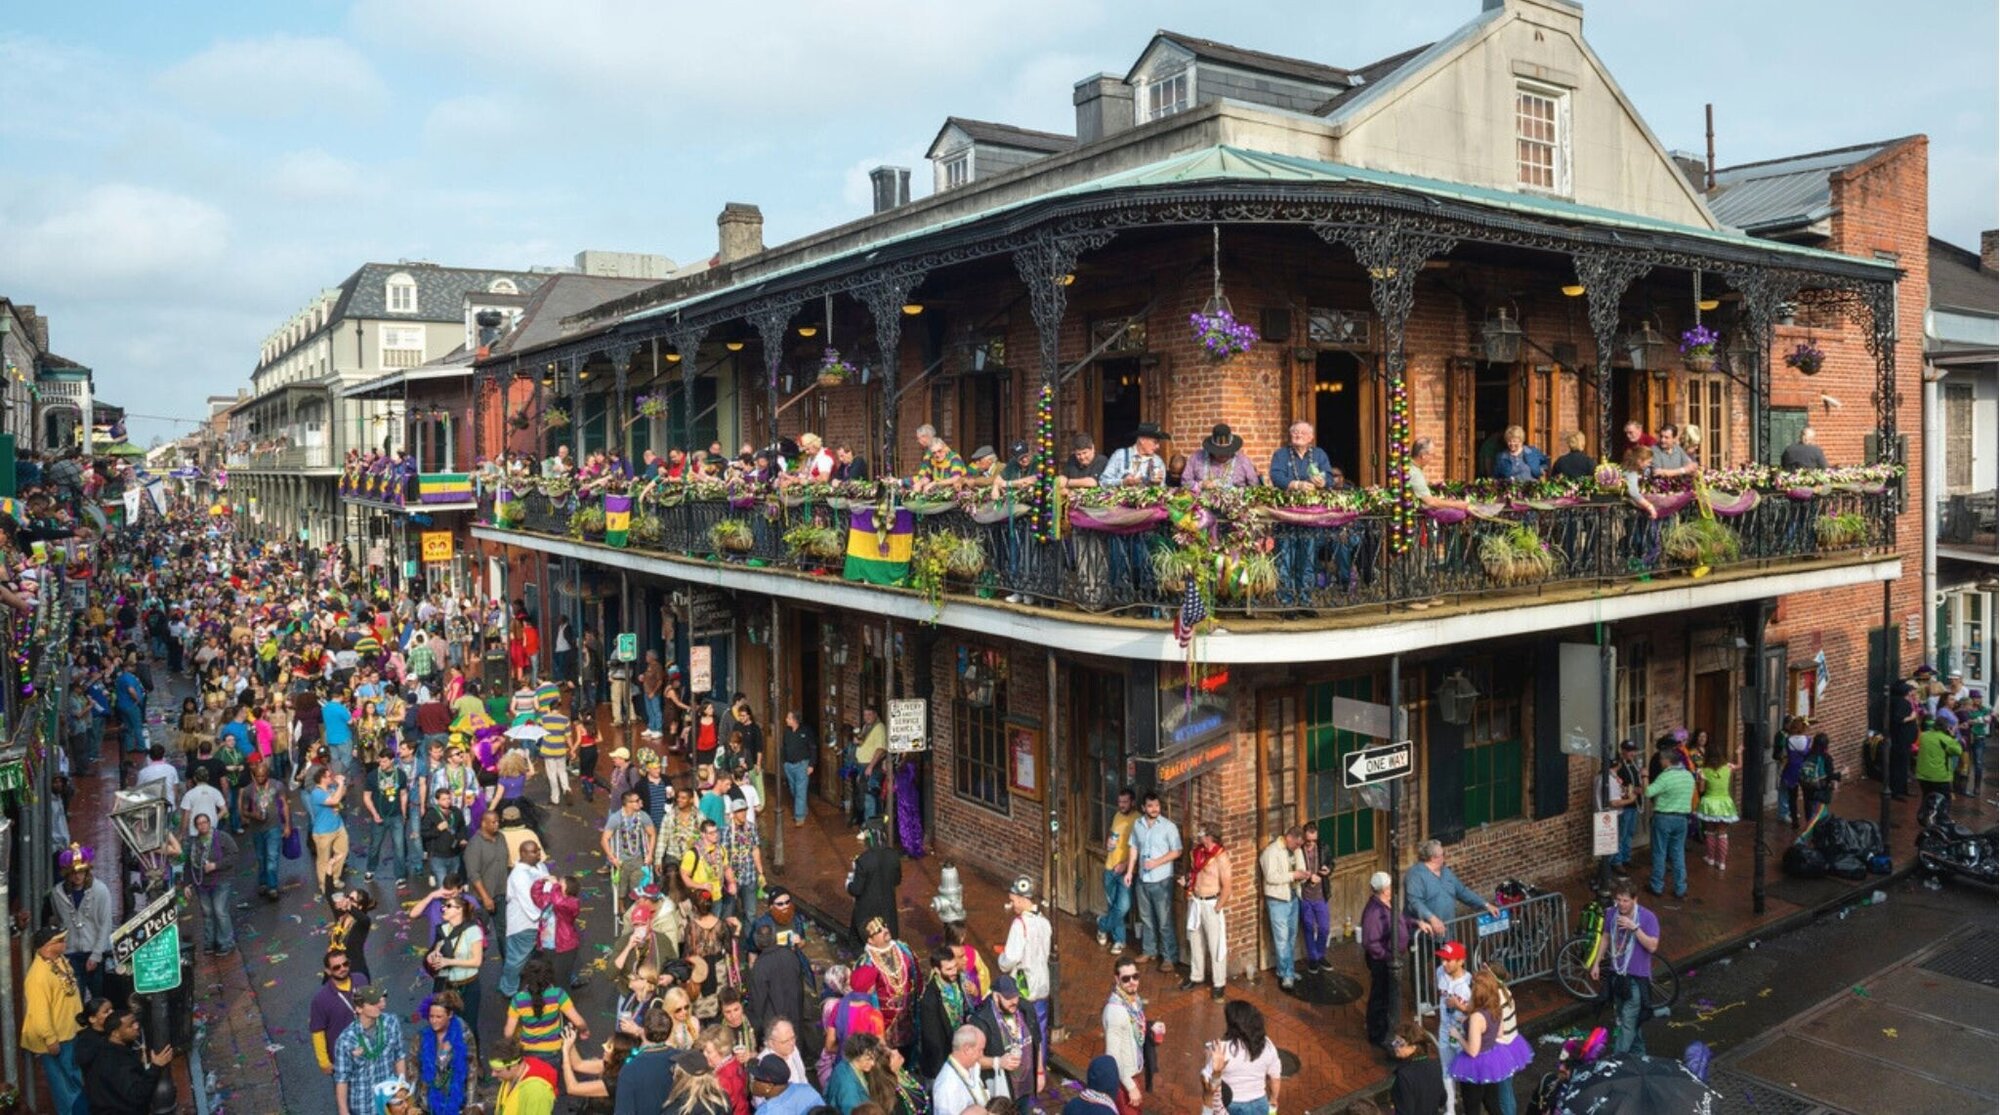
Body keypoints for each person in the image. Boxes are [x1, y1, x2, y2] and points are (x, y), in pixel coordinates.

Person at [1588, 881, 1660, 1056]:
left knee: (1628, 1020)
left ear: (1635, 900)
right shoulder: (1612, 914)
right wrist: (1597, 962)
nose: (1621, 904)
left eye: (1626, 900)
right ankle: (1640, 1055)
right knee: (1625, 1019)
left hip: (1636, 978)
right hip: (1618, 976)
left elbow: (1652, 946)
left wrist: (1634, 928)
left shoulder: (1647, 917)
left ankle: (1616, 1059)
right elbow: (1606, 937)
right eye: (1618, 899)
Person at [1447, 969, 1531, 1115]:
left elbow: (1473, 1051)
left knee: (1472, 1106)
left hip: (1473, 1066)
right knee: (1492, 1102)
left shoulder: (1476, 1017)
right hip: (1491, 1061)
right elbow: (1499, 1032)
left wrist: (1457, 1035)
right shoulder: (1496, 1006)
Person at [23, 926, 85, 1115]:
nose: (64, 942)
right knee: (64, 1086)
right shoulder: (37, 976)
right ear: (47, 946)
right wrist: (50, 1039)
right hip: (57, 1039)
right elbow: (39, 1012)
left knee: (74, 1079)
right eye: (59, 940)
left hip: (70, 1032)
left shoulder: (59, 961)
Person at [996, 876, 1053, 1063]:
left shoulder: (1019, 925)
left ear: (1022, 899)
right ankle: (1041, 1068)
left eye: (1013, 900)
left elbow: (1010, 958)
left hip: (1025, 988)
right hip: (1042, 985)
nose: (1012, 905)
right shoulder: (1044, 922)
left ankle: (1028, 1071)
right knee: (1041, 1031)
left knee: (1023, 1032)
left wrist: (1001, 959)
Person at [48, 845, 114, 999]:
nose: (78, 876)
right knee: (76, 999)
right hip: (70, 953)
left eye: (81, 871)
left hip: (93, 951)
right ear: (67, 873)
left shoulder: (100, 890)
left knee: (98, 998)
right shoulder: (57, 893)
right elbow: (59, 920)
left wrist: (96, 955)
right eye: (73, 872)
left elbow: (106, 924)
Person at [85, 1009, 176, 1115]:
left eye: (135, 1022)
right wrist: (155, 1067)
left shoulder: (107, 1048)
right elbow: (137, 1095)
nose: (136, 1026)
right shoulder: (117, 1062)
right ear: (116, 1033)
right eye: (130, 1025)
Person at [1129, 792, 1182, 974]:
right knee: (1146, 917)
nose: (1154, 809)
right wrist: (1130, 871)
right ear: (1143, 808)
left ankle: (1169, 956)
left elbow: (1177, 851)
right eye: (1150, 806)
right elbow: (1134, 847)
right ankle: (1149, 950)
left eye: (1157, 806)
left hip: (1161, 880)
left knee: (1164, 919)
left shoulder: (1169, 827)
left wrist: (1156, 862)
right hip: (1143, 878)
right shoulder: (1138, 824)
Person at [332, 985, 406, 1115]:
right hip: (363, 1105)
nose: (378, 1005)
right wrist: (343, 1110)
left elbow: (399, 1055)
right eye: (372, 1003)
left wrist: (402, 1087)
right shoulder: (346, 1040)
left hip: (388, 1101)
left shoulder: (391, 1022)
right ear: (359, 1008)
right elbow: (342, 1078)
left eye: (378, 1001)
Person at [505, 954, 589, 1067]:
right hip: (552, 1050)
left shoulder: (518, 1000)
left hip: (527, 1051)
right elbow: (578, 1022)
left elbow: (509, 1033)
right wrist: (584, 1031)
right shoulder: (558, 994)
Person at [1403, 839, 1499, 937]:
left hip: (1447, 932)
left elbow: (1462, 892)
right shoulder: (1415, 875)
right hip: (1426, 936)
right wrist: (1432, 919)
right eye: (1443, 854)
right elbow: (1414, 901)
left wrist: (1485, 905)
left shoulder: (1446, 872)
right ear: (1433, 858)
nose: (1445, 856)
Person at [1203, 1000, 1283, 1115]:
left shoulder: (1221, 1049)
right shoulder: (1267, 1045)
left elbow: (1209, 1088)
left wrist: (1209, 1061)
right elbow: (1275, 1078)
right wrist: (1273, 1099)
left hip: (1232, 1104)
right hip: (1260, 1102)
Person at [970, 974, 1038, 1102]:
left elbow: (1037, 1041)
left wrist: (1039, 1073)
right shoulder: (981, 1020)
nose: (1014, 1001)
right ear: (996, 996)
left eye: (1015, 996)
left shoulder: (1025, 1008)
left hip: (1026, 1087)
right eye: (1008, 998)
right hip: (1003, 1092)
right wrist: (998, 1062)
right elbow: (972, 1059)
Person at [1182, 826, 1230, 1000]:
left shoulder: (1220, 857)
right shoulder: (1198, 853)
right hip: (1195, 901)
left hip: (1211, 903)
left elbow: (1227, 885)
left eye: (1202, 833)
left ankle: (1219, 982)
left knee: (1215, 944)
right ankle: (1196, 975)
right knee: (1195, 940)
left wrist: (1218, 907)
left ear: (1210, 837)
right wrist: (1187, 882)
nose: (1198, 835)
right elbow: (1194, 874)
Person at [1361, 870, 1407, 1051]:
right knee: (1380, 996)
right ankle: (1377, 1033)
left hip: (1389, 957)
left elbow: (1400, 922)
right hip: (1382, 961)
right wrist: (1388, 956)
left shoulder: (1386, 904)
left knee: (1386, 995)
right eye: (1388, 887)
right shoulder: (1374, 912)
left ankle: (1384, 1027)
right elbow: (1370, 942)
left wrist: (1414, 923)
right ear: (1384, 890)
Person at [916, 944, 977, 1079]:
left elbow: (968, 1009)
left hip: (962, 1048)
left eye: (955, 967)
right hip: (945, 1058)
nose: (954, 972)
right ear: (937, 970)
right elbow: (934, 1042)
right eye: (948, 969)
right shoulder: (930, 1000)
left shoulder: (960, 980)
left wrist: (973, 993)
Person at [1258, 826, 1309, 990]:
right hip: (1278, 900)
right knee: (1282, 939)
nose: (1298, 848)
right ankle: (1287, 974)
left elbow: (1299, 867)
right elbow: (1271, 877)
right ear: (1289, 838)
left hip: (1293, 897)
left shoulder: (1297, 850)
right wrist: (1293, 875)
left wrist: (1303, 875)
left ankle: (1284, 970)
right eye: (1296, 844)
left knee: (1291, 937)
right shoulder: (1271, 852)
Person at [501, 838, 551, 997]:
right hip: (524, 923)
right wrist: (540, 915)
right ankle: (508, 989)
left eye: (538, 850)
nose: (538, 854)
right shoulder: (519, 875)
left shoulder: (540, 866)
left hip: (542, 921)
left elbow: (548, 886)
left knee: (546, 953)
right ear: (522, 853)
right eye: (534, 851)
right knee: (517, 958)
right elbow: (528, 900)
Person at [1645, 748, 1695, 899]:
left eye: (1661, 760)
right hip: (1682, 819)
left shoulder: (1665, 777)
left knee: (1660, 852)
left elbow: (1648, 792)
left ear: (1667, 761)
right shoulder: (1688, 776)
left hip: (1664, 817)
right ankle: (1680, 888)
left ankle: (1657, 886)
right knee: (1678, 853)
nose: (1660, 762)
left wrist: (1644, 777)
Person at [1099, 957, 1147, 1114]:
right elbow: (1112, 1057)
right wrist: (1130, 1086)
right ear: (1116, 979)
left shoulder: (1133, 999)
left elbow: (1135, 1026)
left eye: (1135, 977)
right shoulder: (1116, 1011)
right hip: (1124, 1079)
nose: (1132, 982)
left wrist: (1151, 1027)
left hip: (1134, 1072)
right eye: (1126, 979)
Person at [188, 811, 240, 953]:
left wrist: (216, 865)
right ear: (196, 827)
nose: (203, 825)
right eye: (199, 823)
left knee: (220, 910)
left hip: (222, 880)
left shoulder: (222, 837)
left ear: (209, 823)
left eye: (205, 822)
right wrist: (187, 884)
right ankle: (210, 942)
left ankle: (227, 942)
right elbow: (190, 865)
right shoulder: (194, 843)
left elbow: (234, 855)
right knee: (207, 913)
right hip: (202, 883)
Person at [241, 755, 292, 899]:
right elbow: (243, 810)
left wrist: (287, 825)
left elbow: (285, 806)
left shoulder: (277, 785)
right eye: (258, 776)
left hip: (274, 827)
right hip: (257, 829)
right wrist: (253, 815)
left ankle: (272, 887)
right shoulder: (248, 790)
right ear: (254, 775)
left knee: (272, 857)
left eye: (263, 776)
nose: (260, 779)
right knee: (261, 857)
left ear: (267, 775)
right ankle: (263, 882)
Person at [1096, 787, 1138, 952]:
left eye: (1125, 802)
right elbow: (1113, 836)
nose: (1121, 805)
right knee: (1113, 905)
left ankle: (1102, 924)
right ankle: (1119, 940)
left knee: (1123, 907)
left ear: (1132, 802)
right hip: (1110, 867)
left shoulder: (1138, 820)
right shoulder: (1117, 816)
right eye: (1120, 802)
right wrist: (1108, 843)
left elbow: (1139, 849)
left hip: (1126, 871)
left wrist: (1126, 864)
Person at [847, 822, 902, 944]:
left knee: (864, 942)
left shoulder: (863, 860)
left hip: (867, 911)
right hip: (888, 907)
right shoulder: (893, 855)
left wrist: (849, 883)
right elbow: (897, 880)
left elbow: (856, 889)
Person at [419, 991, 473, 1115]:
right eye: (431, 1016)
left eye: (439, 1017)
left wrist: (470, 1104)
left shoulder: (464, 1035)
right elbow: (414, 1067)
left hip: (456, 1098)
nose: (433, 1021)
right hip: (429, 1101)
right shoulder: (422, 1036)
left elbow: (472, 1070)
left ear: (450, 1015)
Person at [363, 746, 409, 884]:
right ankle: (370, 869)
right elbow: (366, 796)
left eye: (384, 761)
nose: (381, 764)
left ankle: (400, 876)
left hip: (396, 816)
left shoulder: (400, 774)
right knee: (375, 846)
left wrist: (404, 813)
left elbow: (403, 794)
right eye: (380, 761)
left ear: (392, 761)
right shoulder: (372, 776)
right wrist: (374, 813)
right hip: (379, 817)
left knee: (399, 846)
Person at [307, 764, 352, 900]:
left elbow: (342, 794)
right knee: (323, 860)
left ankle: (335, 879)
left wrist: (342, 784)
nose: (332, 777)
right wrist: (339, 785)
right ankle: (324, 885)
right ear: (322, 778)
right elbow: (335, 800)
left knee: (342, 852)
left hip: (338, 827)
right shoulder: (316, 793)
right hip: (323, 832)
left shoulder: (331, 788)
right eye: (329, 776)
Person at [931, 1024, 996, 1115]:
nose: (982, 1055)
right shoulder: (948, 1085)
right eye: (980, 1050)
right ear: (967, 1049)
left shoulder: (971, 1067)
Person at [1695, 742, 1740, 870]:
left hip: (1709, 803)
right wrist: (1739, 754)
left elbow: (1702, 789)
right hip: (1724, 803)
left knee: (1709, 832)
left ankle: (1710, 858)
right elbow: (1739, 766)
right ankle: (1722, 862)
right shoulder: (1728, 767)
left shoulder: (1703, 771)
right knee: (1722, 833)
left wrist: (1700, 780)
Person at [491, 1036, 562, 1115]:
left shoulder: (537, 1092)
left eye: (498, 1071)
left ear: (513, 1067)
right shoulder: (511, 1076)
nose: (493, 1074)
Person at [1389, 1022, 1446, 1115]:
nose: (1395, 1046)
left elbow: (1405, 1111)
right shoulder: (1435, 1064)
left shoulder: (1404, 1075)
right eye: (1395, 1041)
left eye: (1399, 1043)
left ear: (1413, 1047)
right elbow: (1442, 1099)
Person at [1602, 740, 1643, 869]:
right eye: (1630, 751)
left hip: (1634, 804)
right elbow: (1617, 785)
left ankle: (1626, 857)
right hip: (1624, 805)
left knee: (1630, 832)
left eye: (1634, 751)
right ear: (1623, 751)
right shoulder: (1619, 766)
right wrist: (1632, 790)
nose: (1633, 753)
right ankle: (1617, 861)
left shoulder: (1633, 765)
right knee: (1621, 834)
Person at [1298, 825, 1333, 974]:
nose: (1311, 843)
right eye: (1308, 840)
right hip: (1305, 895)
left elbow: (1332, 862)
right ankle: (1313, 958)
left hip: (1320, 894)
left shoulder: (1323, 847)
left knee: (1324, 928)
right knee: (1308, 927)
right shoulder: (1299, 851)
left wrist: (1328, 870)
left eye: (1314, 840)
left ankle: (1320, 955)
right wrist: (1308, 877)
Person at [1184, 424, 1260, 489]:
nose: (1223, 454)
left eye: (1226, 451)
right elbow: (1185, 482)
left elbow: (1254, 486)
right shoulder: (1197, 458)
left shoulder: (1243, 461)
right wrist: (1200, 485)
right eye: (1218, 451)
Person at [1915, 715, 1964, 812]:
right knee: (1943, 801)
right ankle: (1940, 821)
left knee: (1926, 798)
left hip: (1923, 775)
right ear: (1946, 727)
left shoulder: (1924, 736)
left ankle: (1925, 819)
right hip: (1940, 776)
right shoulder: (1946, 739)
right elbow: (1958, 751)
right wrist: (1952, 736)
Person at [1408, 437, 1471, 512]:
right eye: (1432, 454)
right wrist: (1457, 505)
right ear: (1423, 455)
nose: (1432, 458)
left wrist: (1449, 502)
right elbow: (1430, 502)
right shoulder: (1415, 473)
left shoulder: (1411, 466)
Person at [1269, 421, 1335, 492]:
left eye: (1303, 433)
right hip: (1288, 499)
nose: (1299, 435)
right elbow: (1276, 477)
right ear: (1291, 435)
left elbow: (1329, 477)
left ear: (1310, 437)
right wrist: (1297, 485)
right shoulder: (1280, 454)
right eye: (1296, 432)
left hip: (1316, 498)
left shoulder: (1319, 454)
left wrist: (1322, 482)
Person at [752, 1051, 824, 1114]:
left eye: (756, 1078)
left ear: (768, 1086)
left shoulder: (766, 1112)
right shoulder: (807, 1090)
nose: (753, 1081)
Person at [1101, 422, 1170, 487]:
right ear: (1142, 440)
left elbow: (1163, 490)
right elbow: (1103, 482)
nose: (1158, 446)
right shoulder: (1120, 455)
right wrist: (1123, 482)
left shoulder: (1158, 461)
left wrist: (1156, 485)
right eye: (1155, 442)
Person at [779, 711, 816, 827]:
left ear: (794, 720)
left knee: (800, 790)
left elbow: (813, 748)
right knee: (793, 790)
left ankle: (799, 816)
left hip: (802, 765)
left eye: (788, 718)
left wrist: (811, 765)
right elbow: (783, 747)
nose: (786, 719)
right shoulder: (787, 732)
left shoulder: (806, 731)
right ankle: (803, 808)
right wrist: (784, 762)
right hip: (789, 765)